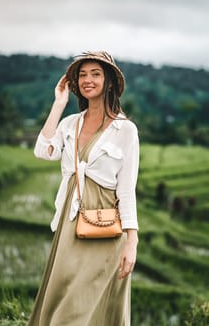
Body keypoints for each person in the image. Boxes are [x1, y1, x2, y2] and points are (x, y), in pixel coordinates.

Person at [27, 51, 139, 326]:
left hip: (104, 231)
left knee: (80, 309)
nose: (88, 79)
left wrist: (131, 242)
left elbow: (126, 190)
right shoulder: (70, 124)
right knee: (63, 299)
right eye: (82, 74)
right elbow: (42, 151)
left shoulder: (125, 130)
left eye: (96, 74)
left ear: (109, 81)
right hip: (70, 221)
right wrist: (59, 103)